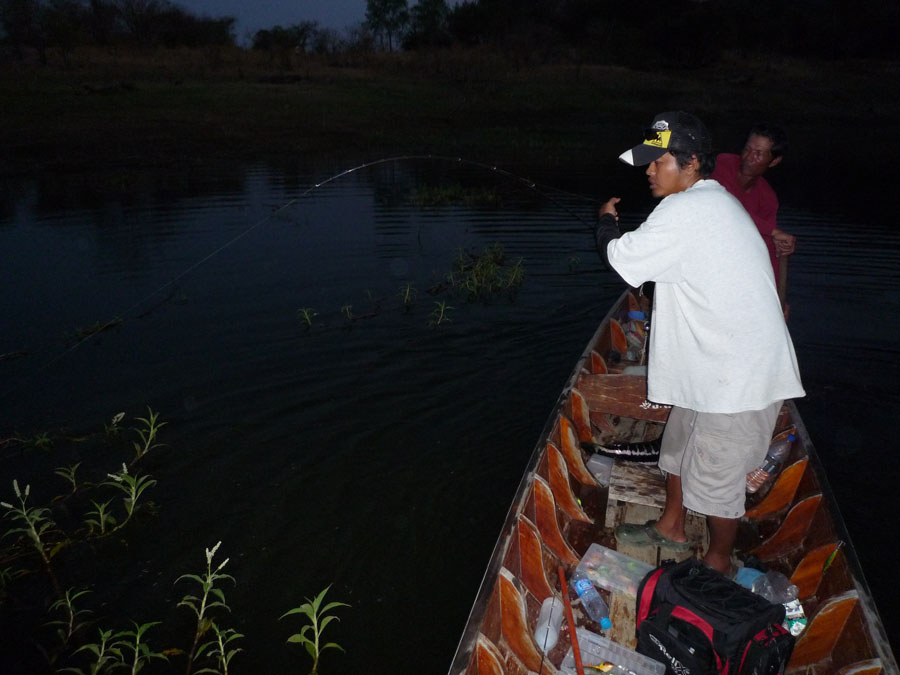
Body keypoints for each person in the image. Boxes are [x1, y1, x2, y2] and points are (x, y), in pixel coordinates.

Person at [594, 111, 805, 574]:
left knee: (716, 479)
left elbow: (620, 259)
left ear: (690, 163)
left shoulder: (686, 209)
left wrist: (606, 223)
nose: (648, 170)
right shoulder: (710, 201)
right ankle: (671, 526)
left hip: (741, 380)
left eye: (657, 161)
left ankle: (718, 564)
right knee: (677, 445)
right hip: (713, 367)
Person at [710, 124, 796, 284]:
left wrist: (777, 300)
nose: (749, 157)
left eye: (758, 154)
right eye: (747, 149)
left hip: (727, 265)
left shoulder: (768, 198)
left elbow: (769, 248)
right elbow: (726, 208)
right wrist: (773, 231)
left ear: (774, 161)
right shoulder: (722, 165)